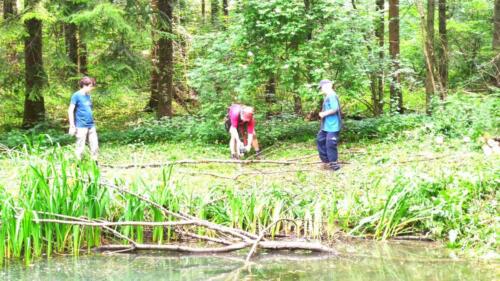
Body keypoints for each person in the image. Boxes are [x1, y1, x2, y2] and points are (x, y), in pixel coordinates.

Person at [68, 76, 99, 161]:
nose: (91, 88)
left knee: (95, 145)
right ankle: (78, 164)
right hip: (81, 125)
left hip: (91, 125)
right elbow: (70, 110)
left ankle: (94, 162)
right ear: (85, 86)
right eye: (90, 86)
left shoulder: (88, 96)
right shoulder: (76, 95)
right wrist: (72, 125)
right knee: (80, 146)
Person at [316, 79, 342, 171]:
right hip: (326, 126)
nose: (322, 90)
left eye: (322, 87)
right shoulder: (327, 96)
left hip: (333, 126)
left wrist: (323, 114)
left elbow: (335, 108)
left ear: (328, 85)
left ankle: (334, 164)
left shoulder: (332, 95)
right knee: (320, 140)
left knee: (330, 144)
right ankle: (326, 162)